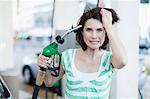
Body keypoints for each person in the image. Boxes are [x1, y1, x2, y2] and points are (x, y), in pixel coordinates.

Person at [37, 7, 127, 99]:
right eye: (89, 30)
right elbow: (49, 82)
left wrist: (108, 25)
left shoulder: (109, 58)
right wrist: (44, 66)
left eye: (99, 30)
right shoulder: (67, 56)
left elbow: (122, 61)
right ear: (82, 32)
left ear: (106, 32)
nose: (94, 36)